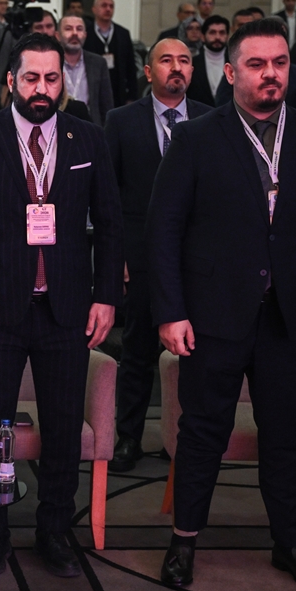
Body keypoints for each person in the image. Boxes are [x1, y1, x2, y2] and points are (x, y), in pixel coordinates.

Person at [147, 20, 296, 591]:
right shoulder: (196, 138)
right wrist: (170, 311)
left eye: (280, 63)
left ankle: (290, 544)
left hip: (292, 318)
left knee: (285, 434)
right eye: (258, 64)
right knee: (203, 432)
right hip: (212, 316)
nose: (271, 74)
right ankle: (183, 541)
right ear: (231, 72)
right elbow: (163, 231)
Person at [0, 32, 121, 580]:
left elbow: (112, 223)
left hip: (68, 307)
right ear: (11, 80)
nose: (42, 88)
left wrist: (107, 296)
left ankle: (54, 530)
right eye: (32, 77)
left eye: (52, 78)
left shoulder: (88, 138)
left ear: (63, 82)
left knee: (63, 427)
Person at [103, 38, 212, 473]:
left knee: (197, 352)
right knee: (138, 350)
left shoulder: (212, 118)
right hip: (142, 255)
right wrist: (117, 256)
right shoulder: (121, 120)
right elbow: (107, 197)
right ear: (149, 72)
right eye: (167, 60)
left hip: (199, 258)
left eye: (184, 60)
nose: (177, 67)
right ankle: (128, 435)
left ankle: (184, 437)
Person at [59, 15, 115, 126]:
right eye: (68, 29)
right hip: (59, 124)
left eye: (79, 29)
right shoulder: (52, 62)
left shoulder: (98, 63)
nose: (75, 33)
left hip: (90, 126)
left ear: (85, 34)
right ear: (57, 35)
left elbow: (106, 104)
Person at [84, 0, 138, 105]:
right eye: (104, 5)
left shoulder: (123, 34)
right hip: (93, 90)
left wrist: (132, 96)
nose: (108, 9)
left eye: (111, 6)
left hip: (118, 91)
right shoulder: (86, 33)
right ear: (94, 9)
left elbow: (131, 67)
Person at [187, 15, 230, 106]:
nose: (217, 37)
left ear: (227, 36)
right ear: (202, 36)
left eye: (222, 33)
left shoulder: (235, 62)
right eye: (212, 32)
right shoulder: (191, 63)